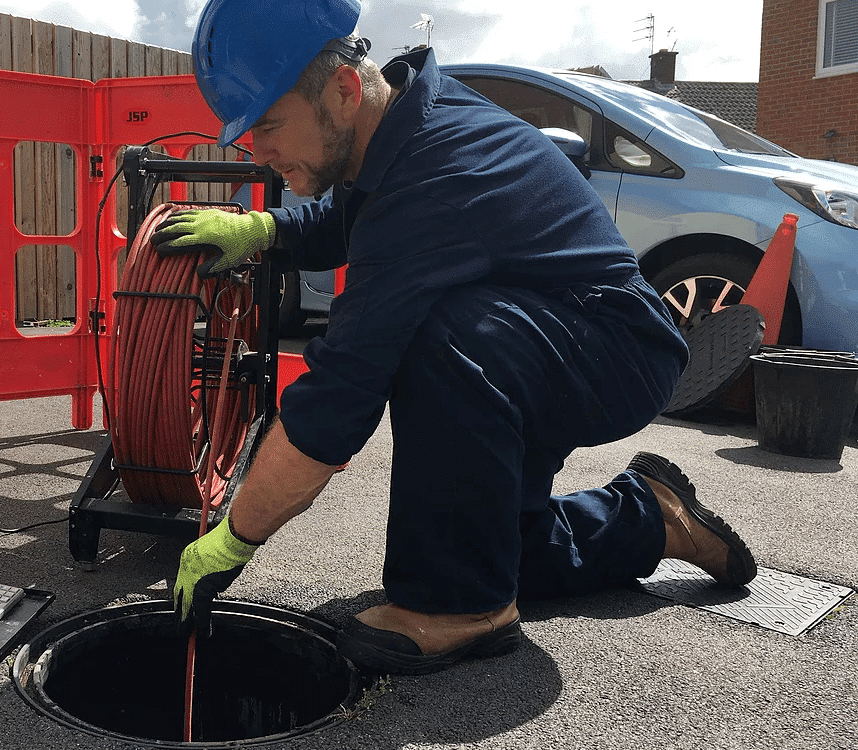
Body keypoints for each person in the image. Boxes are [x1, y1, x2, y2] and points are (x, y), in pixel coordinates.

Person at [156, 0, 757, 675]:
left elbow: (337, 398)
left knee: (435, 336)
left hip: (609, 351)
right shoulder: (399, 129)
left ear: (343, 90)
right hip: (545, 339)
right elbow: (351, 216)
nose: (254, 151)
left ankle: (459, 609)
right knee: (499, 549)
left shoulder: (437, 171)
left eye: (266, 126)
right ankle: (648, 516)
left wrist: (234, 539)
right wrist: (268, 231)